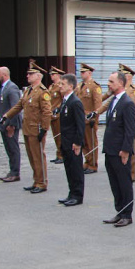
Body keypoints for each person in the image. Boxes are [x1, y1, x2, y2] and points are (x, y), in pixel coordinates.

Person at [0, 62, 52, 193]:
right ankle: (36, 181)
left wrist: (44, 129)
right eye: (28, 74)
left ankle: (42, 182)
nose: (27, 76)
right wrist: (6, 116)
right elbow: (19, 105)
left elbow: (47, 112)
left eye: (31, 74)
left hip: (36, 129)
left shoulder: (42, 92)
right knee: (32, 157)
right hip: (28, 128)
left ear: (38, 76)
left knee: (38, 156)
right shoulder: (28, 90)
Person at [101, 71, 135, 227]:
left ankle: (127, 214)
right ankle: (119, 211)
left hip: (120, 151)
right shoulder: (113, 101)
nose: (108, 84)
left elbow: (130, 129)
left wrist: (126, 150)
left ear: (121, 83)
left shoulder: (127, 103)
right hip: (110, 149)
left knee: (124, 183)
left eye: (111, 81)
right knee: (114, 183)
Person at [54, 73, 85, 206]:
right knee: (69, 169)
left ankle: (77, 195)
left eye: (63, 84)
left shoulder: (75, 102)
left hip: (73, 143)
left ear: (71, 86)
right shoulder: (65, 101)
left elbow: (80, 125)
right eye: (60, 83)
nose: (60, 86)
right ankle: (71, 193)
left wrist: (78, 143)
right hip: (66, 142)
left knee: (76, 170)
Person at [0, 66, 23, 182]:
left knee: (13, 148)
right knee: (9, 149)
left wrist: (12, 125)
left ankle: (15, 173)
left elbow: (15, 108)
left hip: (10, 124)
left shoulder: (12, 88)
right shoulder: (3, 88)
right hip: (4, 124)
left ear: (4, 75)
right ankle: (12, 171)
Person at [76, 63, 102, 174]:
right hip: (81, 119)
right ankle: (87, 161)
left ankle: (93, 164)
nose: (81, 74)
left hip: (89, 119)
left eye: (83, 72)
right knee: (84, 143)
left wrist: (94, 118)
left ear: (89, 73)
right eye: (81, 72)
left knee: (91, 142)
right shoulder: (79, 86)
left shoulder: (94, 86)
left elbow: (98, 104)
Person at [47, 67, 65, 164]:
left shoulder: (60, 86)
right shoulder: (51, 87)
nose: (51, 76)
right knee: (55, 136)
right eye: (51, 74)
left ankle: (62, 155)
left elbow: (63, 100)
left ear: (58, 75)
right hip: (52, 115)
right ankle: (58, 154)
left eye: (53, 74)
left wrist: (58, 108)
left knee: (59, 135)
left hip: (58, 115)